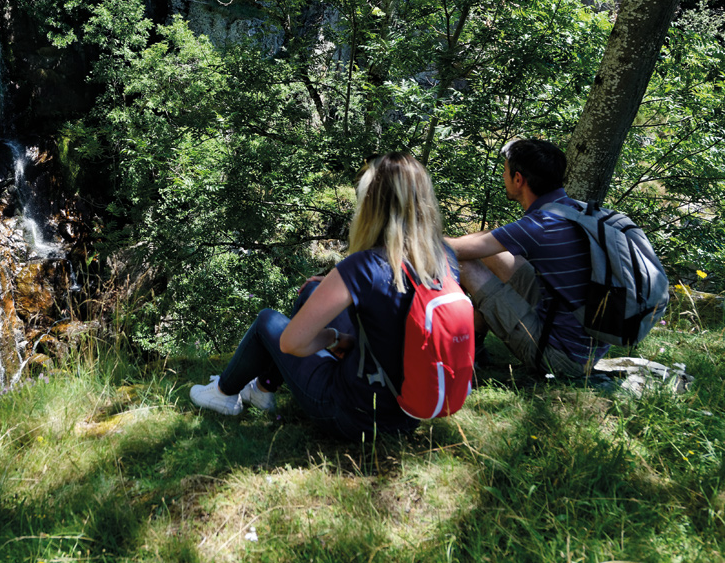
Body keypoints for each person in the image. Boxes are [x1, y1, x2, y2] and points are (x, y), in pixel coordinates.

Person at [186, 152, 454, 438]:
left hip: (351, 414)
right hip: (408, 414)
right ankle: (263, 389)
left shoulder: (364, 266)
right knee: (313, 290)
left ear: (372, 204)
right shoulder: (444, 258)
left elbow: (291, 343)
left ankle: (224, 393)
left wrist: (334, 338)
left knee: (267, 321)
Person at [443, 137, 604, 377]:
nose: (504, 178)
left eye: (506, 172)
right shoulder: (575, 210)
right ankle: (475, 345)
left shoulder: (540, 225)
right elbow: (485, 244)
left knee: (466, 264)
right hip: (585, 342)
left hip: (562, 359)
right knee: (492, 251)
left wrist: (400, 237)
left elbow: (457, 251)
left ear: (519, 180)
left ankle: (467, 349)